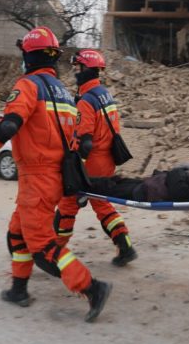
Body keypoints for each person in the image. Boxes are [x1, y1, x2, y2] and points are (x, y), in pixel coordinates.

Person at [0, 27, 111, 322]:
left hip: (37, 178)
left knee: (42, 246)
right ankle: (18, 289)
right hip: (56, 176)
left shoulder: (28, 86)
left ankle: (91, 287)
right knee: (17, 233)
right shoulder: (65, 94)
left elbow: (7, 126)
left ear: (29, 56)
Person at [53, 49, 137, 266]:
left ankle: (53, 250)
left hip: (90, 164)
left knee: (67, 205)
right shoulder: (104, 94)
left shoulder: (86, 101)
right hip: (106, 160)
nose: (75, 71)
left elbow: (85, 142)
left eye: (78, 67)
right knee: (103, 205)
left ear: (87, 69)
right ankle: (125, 245)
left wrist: (76, 172)